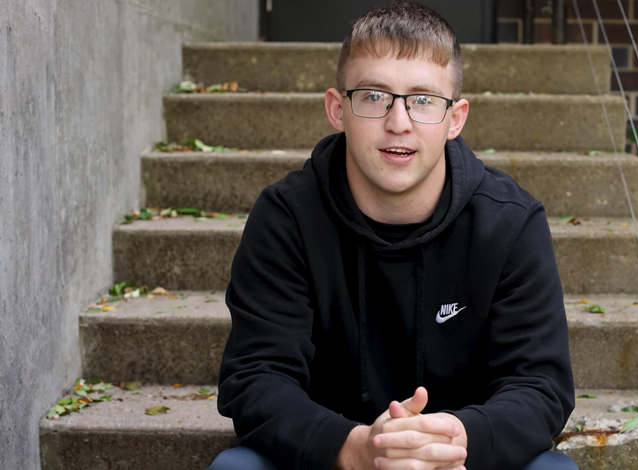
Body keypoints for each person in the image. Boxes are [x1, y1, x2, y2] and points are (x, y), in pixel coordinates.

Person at [209, 2, 577, 469]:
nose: (398, 121)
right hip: (336, 458)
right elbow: (256, 377)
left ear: (456, 118)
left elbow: (539, 385)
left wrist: (451, 439)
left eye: (423, 99)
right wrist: (357, 448)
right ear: (336, 109)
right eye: (373, 95)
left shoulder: (509, 223)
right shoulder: (287, 217)